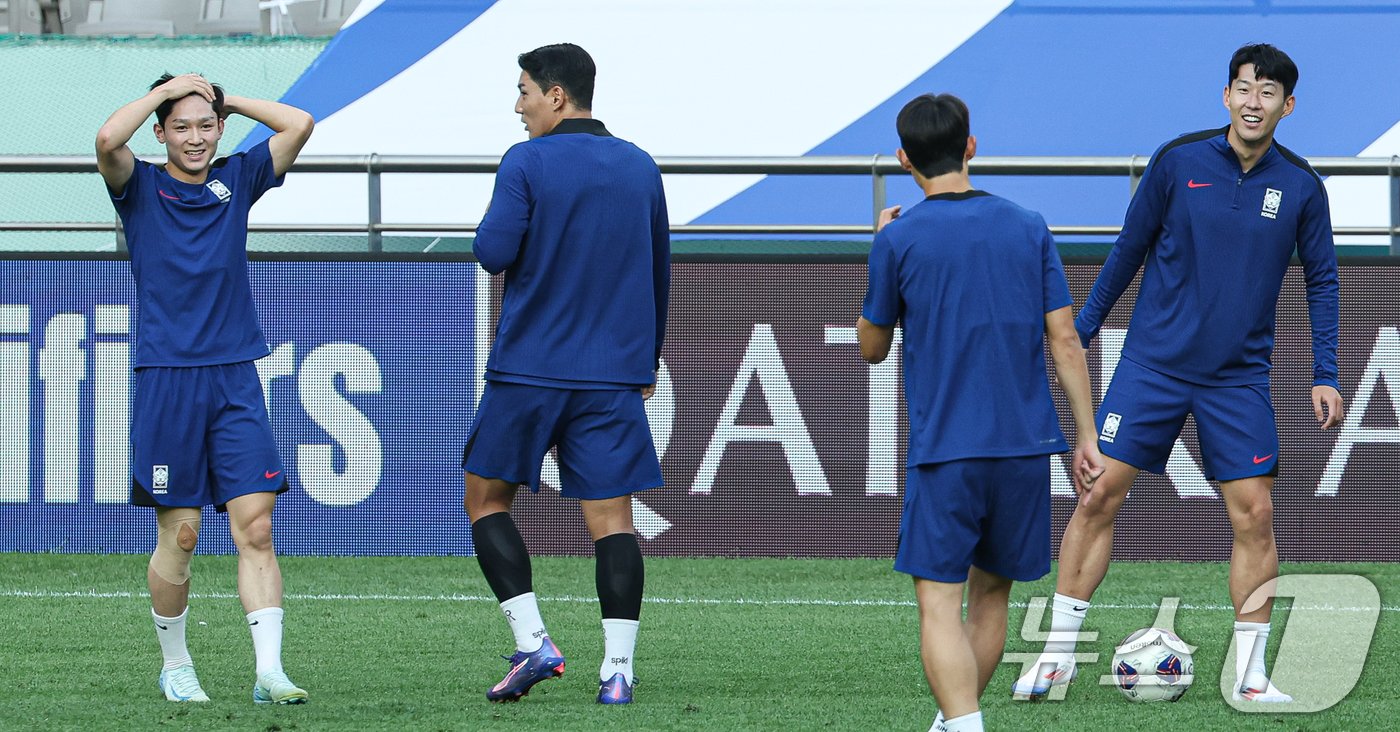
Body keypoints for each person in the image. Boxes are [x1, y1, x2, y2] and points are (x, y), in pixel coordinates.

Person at [1011, 43, 1342, 704]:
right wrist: (1083, 328)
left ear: (1288, 105)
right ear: (1227, 96)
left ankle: (1249, 678)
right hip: (1152, 366)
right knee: (1098, 495)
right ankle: (1055, 659)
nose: (1254, 102)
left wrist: (1325, 371)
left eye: (1269, 93)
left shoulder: (1302, 186)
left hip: (1237, 378)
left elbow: (1323, 282)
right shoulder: (1178, 160)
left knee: (1256, 515)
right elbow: (1128, 249)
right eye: (1244, 89)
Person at [858, 93, 1103, 732]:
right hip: (1024, 448)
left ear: (905, 158)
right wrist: (1086, 434)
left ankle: (964, 724)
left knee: (938, 604)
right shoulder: (1028, 226)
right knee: (990, 596)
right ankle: (955, 721)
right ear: (972, 146)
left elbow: (872, 347)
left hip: (947, 452)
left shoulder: (900, 238)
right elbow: (1066, 339)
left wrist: (879, 247)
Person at [95, 73, 315, 704]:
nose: (194, 137)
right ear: (159, 131)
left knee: (257, 527)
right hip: (167, 378)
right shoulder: (137, 185)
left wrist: (227, 98)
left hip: (236, 375)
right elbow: (110, 137)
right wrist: (165, 93)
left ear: (219, 129)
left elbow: (298, 123)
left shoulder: (237, 177)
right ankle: (176, 665)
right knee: (182, 534)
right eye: (180, 126)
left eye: (205, 125)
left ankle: (269, 672)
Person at [462, 43, 670, 705]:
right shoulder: (639, 166)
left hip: (529, 368)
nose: (517, 105)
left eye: (523, 90)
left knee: (485, 501)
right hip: (611, 374)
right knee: (613, 522)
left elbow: (492, 252)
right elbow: (658, 269)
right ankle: (617, 672)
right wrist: (645, 360)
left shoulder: (527, 160)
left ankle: (533, 644)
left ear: (556, 95)